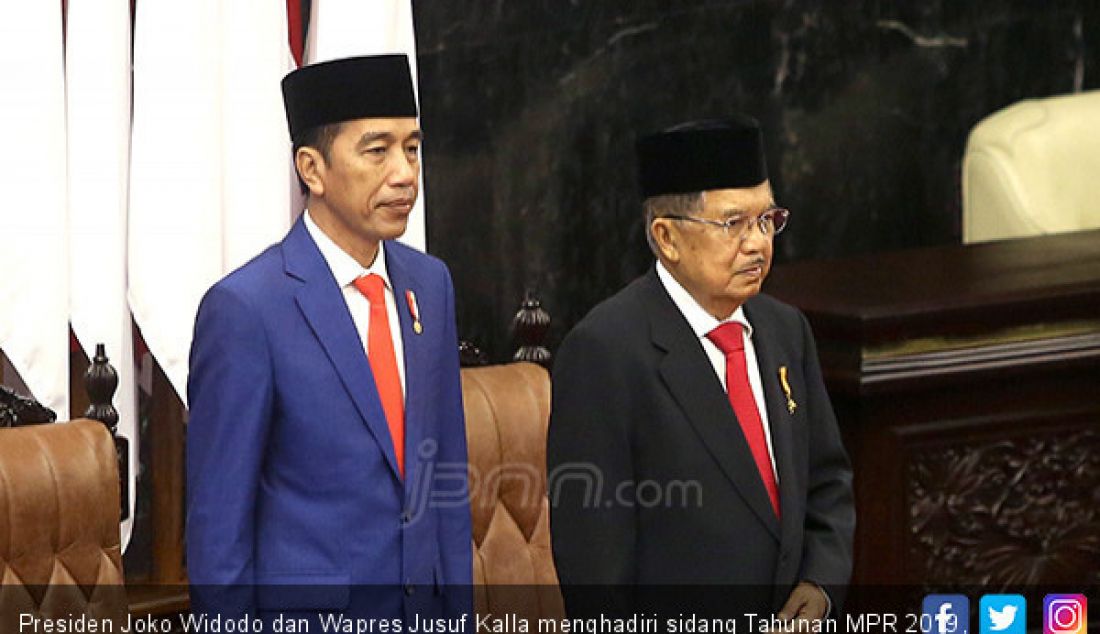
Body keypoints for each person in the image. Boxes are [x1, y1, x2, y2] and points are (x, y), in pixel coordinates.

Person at [186, 55, 471, 622]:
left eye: (412, 148)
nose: (405, 173)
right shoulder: (246, 311)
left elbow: (445, 485)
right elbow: (220, 535)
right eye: (377, 150)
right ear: (312, 170)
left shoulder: (430, 286)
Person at [548, 116, 855, 621]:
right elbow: (594, 567)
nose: (757, 244)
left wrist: (820, 584)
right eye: (733, 224)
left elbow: (827, 482)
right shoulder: (605, 351)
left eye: (766, 220)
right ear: (666, 238)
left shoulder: (785, 331)